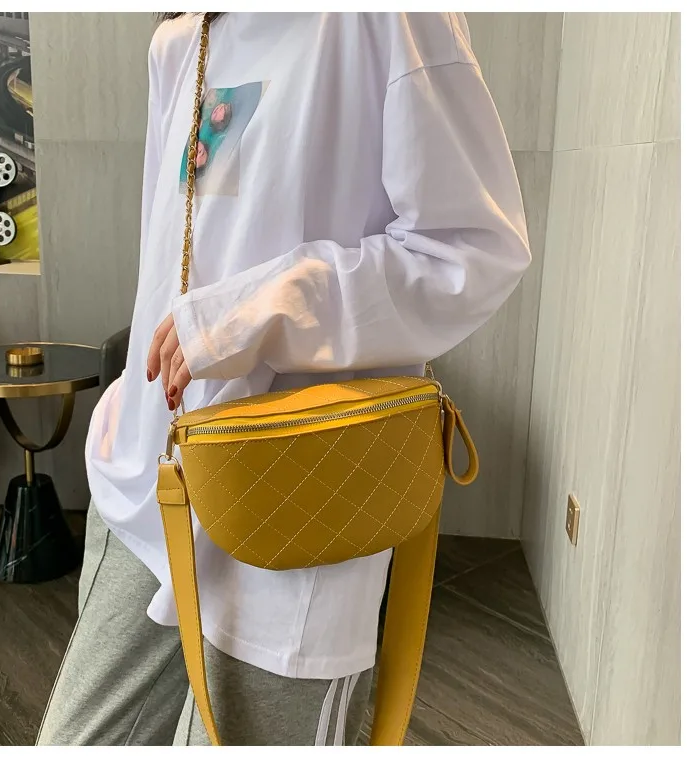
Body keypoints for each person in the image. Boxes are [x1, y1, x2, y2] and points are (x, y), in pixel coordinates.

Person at [37, 11, 531, 746]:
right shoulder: (179, 41)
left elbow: (474, 249)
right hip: (149, 479)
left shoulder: (386, 19)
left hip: (296, 496)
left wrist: (260, 309)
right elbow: (167, 259)